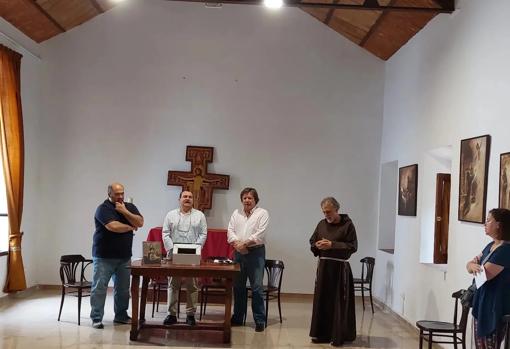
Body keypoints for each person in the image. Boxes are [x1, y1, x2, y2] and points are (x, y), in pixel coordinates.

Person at [90, 182, 144, 329]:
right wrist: (130, 227)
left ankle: (121, 316)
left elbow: (140, 222)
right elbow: (113, 226)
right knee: (99, 288)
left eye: (122, 193)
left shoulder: (129, 207)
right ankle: (96, 318)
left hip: (124, 256)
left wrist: (125, 211)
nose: (120, 196)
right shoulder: (103, 208)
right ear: (109, 194)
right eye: (117, 194)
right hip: (104, 256)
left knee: (123, 289)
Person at [309, 197, 357, 346]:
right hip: (324, 268)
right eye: (324, 212)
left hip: (339, 269)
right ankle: (321, 334)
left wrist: (332, 245)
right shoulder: (321, 224)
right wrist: (317, 245)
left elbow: (352, 246)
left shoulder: (347, 225)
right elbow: (312, 241)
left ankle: (338, 335)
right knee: (322, 300)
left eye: (328, 212)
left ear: (337, 210)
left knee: (338, 302)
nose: (326, 215)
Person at [466, 208, 510, 349]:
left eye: (488, 220)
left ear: (499, 224)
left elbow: (484, 275)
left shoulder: (504, 250)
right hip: (483, 301)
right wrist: (472, 266)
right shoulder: (491, 246)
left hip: (494, 305)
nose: (485, 224)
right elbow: (469, 265)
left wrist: (474, 267)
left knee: (490, 345)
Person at [162, 190, 207, 326]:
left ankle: (190, 314)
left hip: (192, 253)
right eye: (185, 196)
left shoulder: (200, 215)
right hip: (173, 253)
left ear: (193, 200)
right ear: (179, 199)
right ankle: (171, 314)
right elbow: (165, 233)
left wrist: (195, 249)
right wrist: (171, 249)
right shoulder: (170, 215)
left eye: (190, 197)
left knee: (192, 285)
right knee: (173, 284)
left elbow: (203, 234)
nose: (187, 199)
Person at [227, 187, 269, 332]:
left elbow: (260, 234)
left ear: (255, 200)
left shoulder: (262, 213)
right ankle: (238, 317)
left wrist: (244, 244)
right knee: (238, 287)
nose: (247, 200)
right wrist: (238, 245)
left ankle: (259, 320)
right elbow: (230, 231)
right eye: (244, 198)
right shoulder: (236, 213)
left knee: (256, 288)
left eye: (250, 198)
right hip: (238, 253)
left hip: (255, 253)